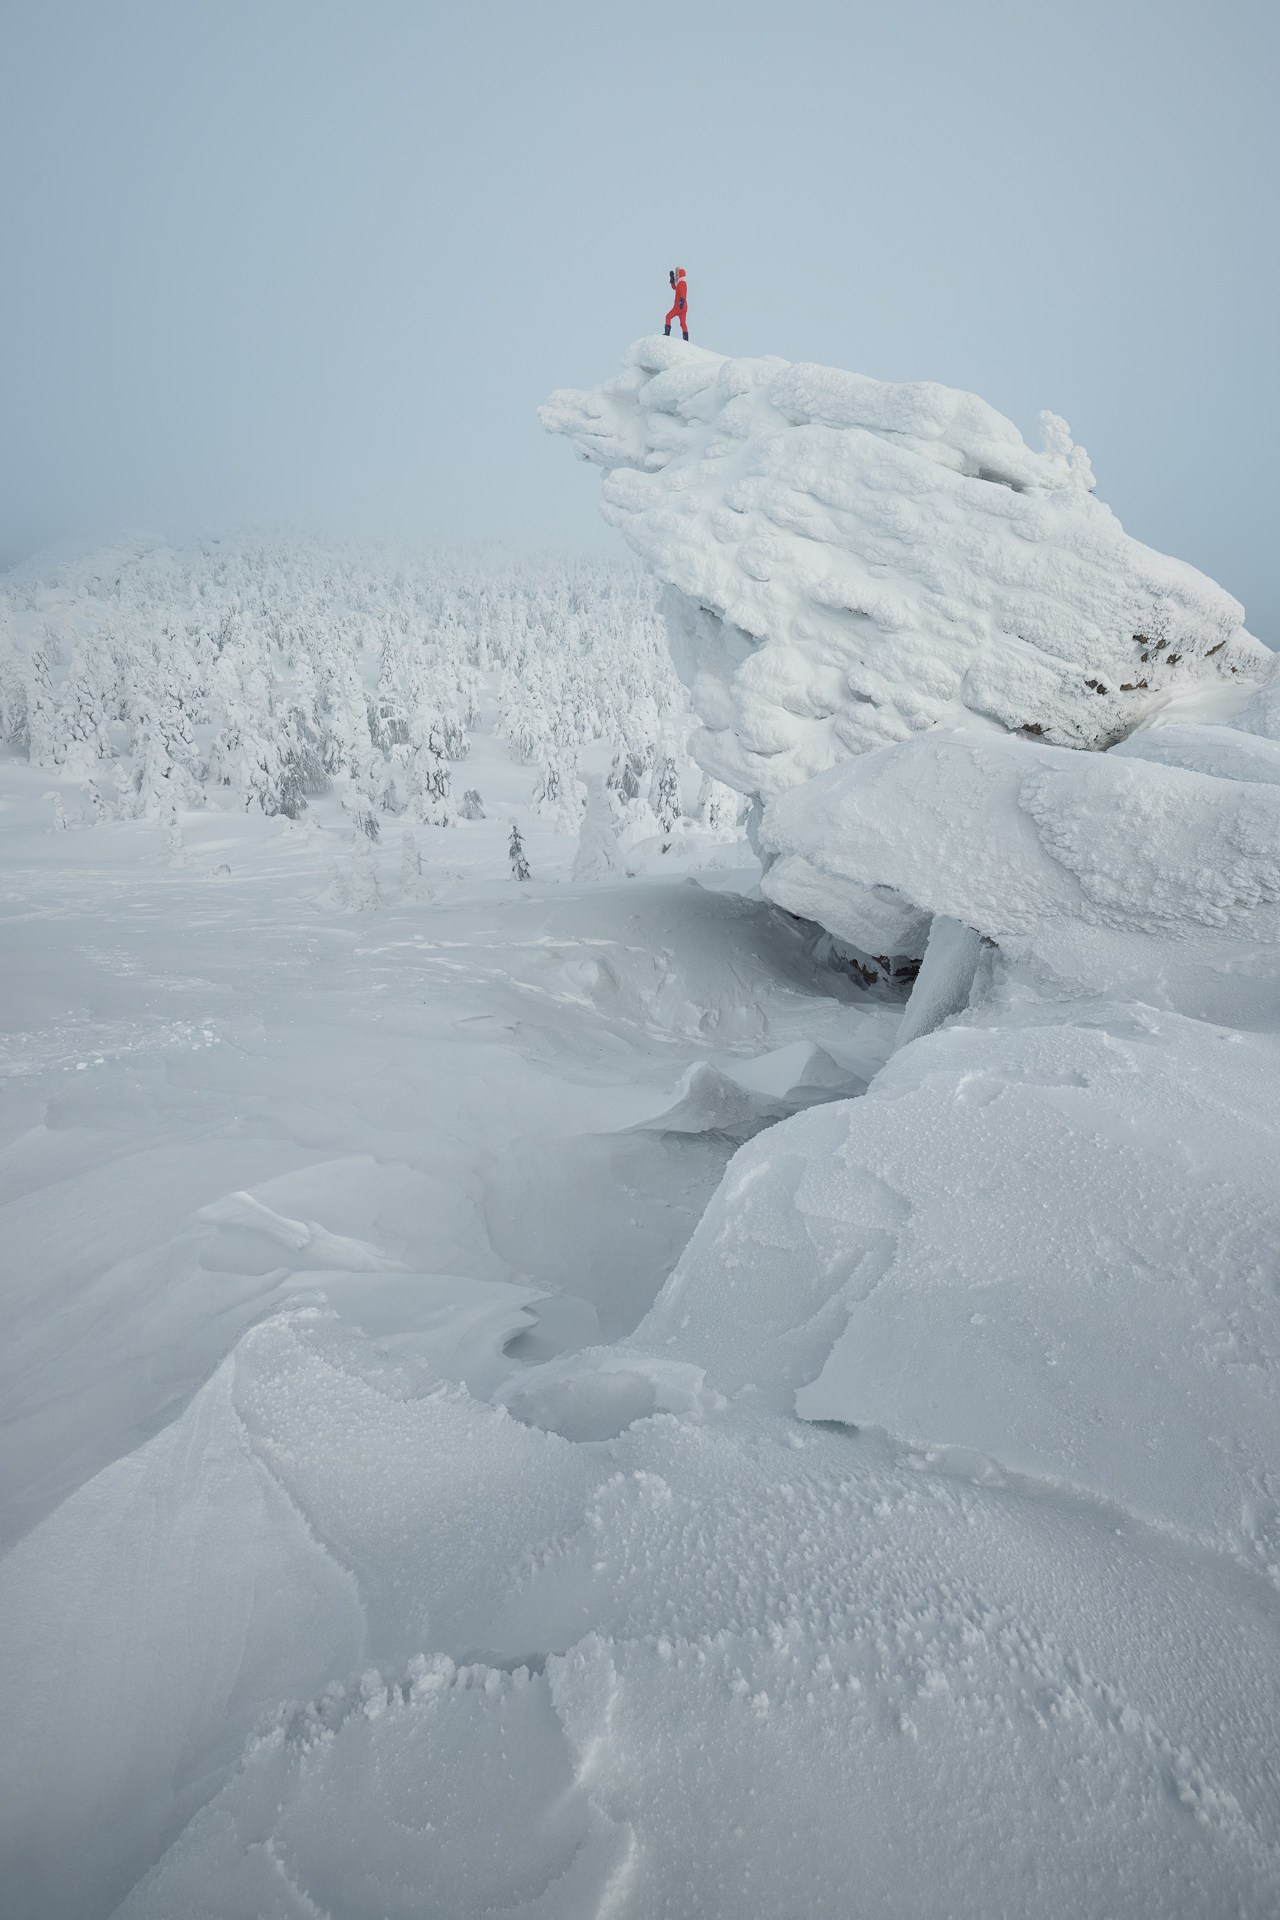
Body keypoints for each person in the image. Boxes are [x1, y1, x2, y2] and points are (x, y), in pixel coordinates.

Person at [664, 267, 689, 339]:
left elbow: (682, 293)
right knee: (683, 323)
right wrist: (672, 279)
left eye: (676, 275)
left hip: (679, 306)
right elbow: (674, 287)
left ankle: (667, 334)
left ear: (680, 275)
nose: (675, 276)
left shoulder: (681, 283)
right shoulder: (681, 283)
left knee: (668, 317)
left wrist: (681, 301)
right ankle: (686, 339)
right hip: (684, 306)